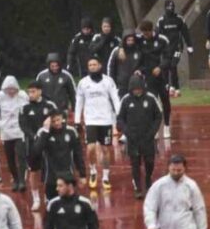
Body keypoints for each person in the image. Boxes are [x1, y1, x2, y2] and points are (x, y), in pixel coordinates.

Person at [75, 57, 122, 191]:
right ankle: (93, 171)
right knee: (90, 148)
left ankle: (106, 176)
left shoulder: (108, 81)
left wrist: (119, 117)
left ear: (100, 65)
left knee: (106, 149)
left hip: (106, 120)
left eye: (95, 64)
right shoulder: (83, 83)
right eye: (90, 65)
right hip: (91, 120)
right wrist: (78, 120)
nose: (92, 67)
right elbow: (79, 102)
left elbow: (115, 98)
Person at [116, 75, 162, 199]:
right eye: (135, 89)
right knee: (135, 163)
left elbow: (158, 116)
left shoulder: (151, 98)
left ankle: (148, 179)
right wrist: (126, 131)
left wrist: (153, 132)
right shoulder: (126, 100)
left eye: (139, 88)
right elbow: (120, 118)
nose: (137, 91)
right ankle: (137, 187)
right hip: (132, 138)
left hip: (148, 137)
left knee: (149, 161)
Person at [31, 108, 88, 201]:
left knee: (70, 203)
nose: (57, 123)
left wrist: (82, 175)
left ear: (62, 118)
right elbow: (36, 151)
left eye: (58, 120)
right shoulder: (42, 132)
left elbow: (78, 154)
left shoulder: (71, 131)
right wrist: (45, 131)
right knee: (52, 205)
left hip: (68, 176)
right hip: (50, 177)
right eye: (53, 121)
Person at [19, 82, 58, 211]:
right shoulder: (24, 108)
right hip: (32, 144)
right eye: (29, 92)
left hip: (48, 144)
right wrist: (34, 136)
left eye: (33, 92)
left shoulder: (50, 105)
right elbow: (23, 126)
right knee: (33, 171)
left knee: (49, 170)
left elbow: (57, 121)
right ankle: (36, 198)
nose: (31, 94)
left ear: (40, 91)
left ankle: (48, 196)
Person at [0, 76, 29, 191]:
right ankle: (15, 179)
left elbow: (28, 110)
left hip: (20, 130)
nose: (11, 91)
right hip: (6, 132)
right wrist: (0, 124)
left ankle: (22, 180)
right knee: (10, 157)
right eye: (8, 89)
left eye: (13, 89)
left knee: (21, 155)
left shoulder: (23, 96)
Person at [136, 20, 173, 137]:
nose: (145, 35)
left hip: (162, 76)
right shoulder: (140, 39)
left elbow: (168, 57)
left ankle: (167, 125)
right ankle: (155, 128)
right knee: (151, 102)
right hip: (148, 76)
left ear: (152, 30)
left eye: (147, 32)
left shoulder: (162, 39)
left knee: (165, 101)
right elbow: (127, 40)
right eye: (143, 33)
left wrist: (160, 67)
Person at [156, 0, 194, 95]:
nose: (170, 9)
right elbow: (157, 35)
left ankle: (176, 87)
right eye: (168, 7)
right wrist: (157, 47)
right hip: (165, 49)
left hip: (177, 47)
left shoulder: (179, 19)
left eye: (172, 7)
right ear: (165, 8)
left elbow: (186, 33)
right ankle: (167, 87)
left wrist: (189, 46)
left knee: (173, 65)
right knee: (165, 67)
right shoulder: (161, 20)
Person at [37, 53, 77, 117]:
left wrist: (74, 110)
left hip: (62, 110)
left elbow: (73, 94)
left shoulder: (66, 75)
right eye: (52, 66)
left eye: (57, 66)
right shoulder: (41, 76)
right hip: (46, 109)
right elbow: (37, 93)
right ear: (48, 65)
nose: (55, 68)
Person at [107, 30, 142, 97]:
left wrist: (140, 70)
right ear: (125, 40)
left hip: (136, 84)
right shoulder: (117, 51)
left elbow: (143, 64)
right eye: (128, 40)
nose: (130, 42)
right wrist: (111, 83)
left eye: (132, 40)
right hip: (121, 85)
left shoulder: (139, 50)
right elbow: (110, 67)